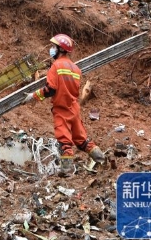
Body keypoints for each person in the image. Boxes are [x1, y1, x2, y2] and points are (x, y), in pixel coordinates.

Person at [22, 34, 105, 176]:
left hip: (62, 109)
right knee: (82, 140)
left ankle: (66, 169)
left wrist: (33, 96)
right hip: (74, 108)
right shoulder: (76, 69)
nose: (52, 49)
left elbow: (51, 89)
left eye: (54, 47)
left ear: (60, 49)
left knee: (64, 141)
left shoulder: (56, 66)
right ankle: (101, 159)